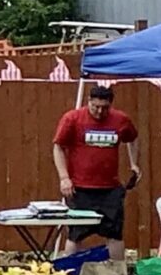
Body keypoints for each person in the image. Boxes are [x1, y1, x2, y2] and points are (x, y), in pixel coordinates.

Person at [54, 83, 143, 259]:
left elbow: (133, 139)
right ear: (89, 101)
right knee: (76, 234)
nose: (100, 112)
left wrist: (134, 163)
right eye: (96, 107)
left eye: (105, 108)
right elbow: (58, 147)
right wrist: (64, 178)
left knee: (115, 234)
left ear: (111, 105)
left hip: (110, 189)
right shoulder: (73, 119)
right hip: (79, 188)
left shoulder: (120, 120)